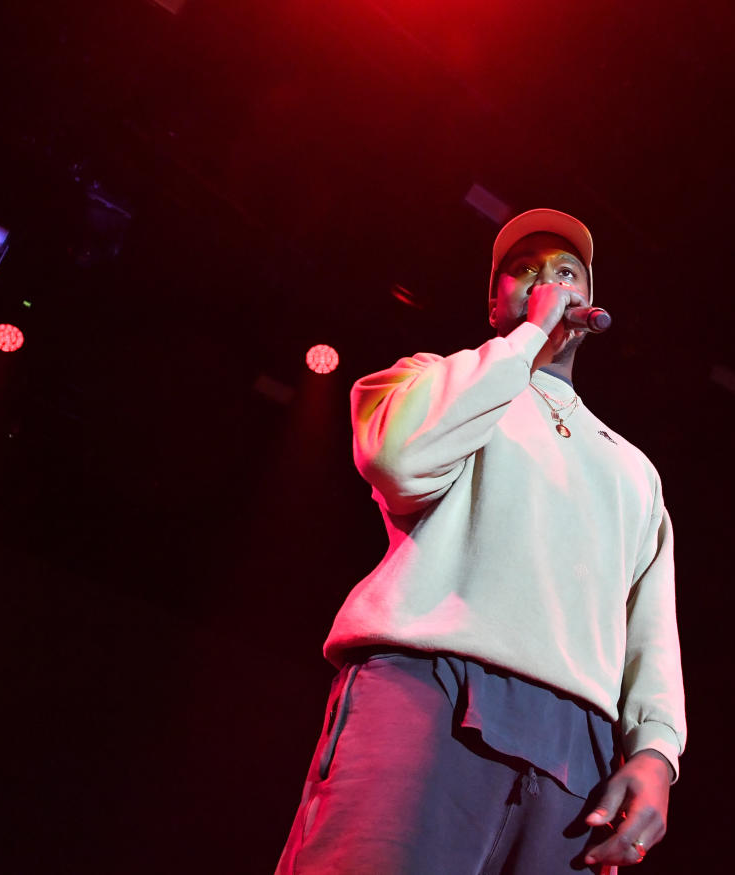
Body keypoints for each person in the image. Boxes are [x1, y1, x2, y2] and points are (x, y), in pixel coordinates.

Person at [274, 209, 686, 874]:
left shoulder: (632, 468)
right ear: (493, 299)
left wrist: (656, 752)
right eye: (523, 271)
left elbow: (651, 633)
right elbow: (401, 460)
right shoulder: (430, 379)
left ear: (591, 300)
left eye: (564, 273)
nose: (545, 283)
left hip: (578, 748)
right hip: (430, 687)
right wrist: (525, 340)